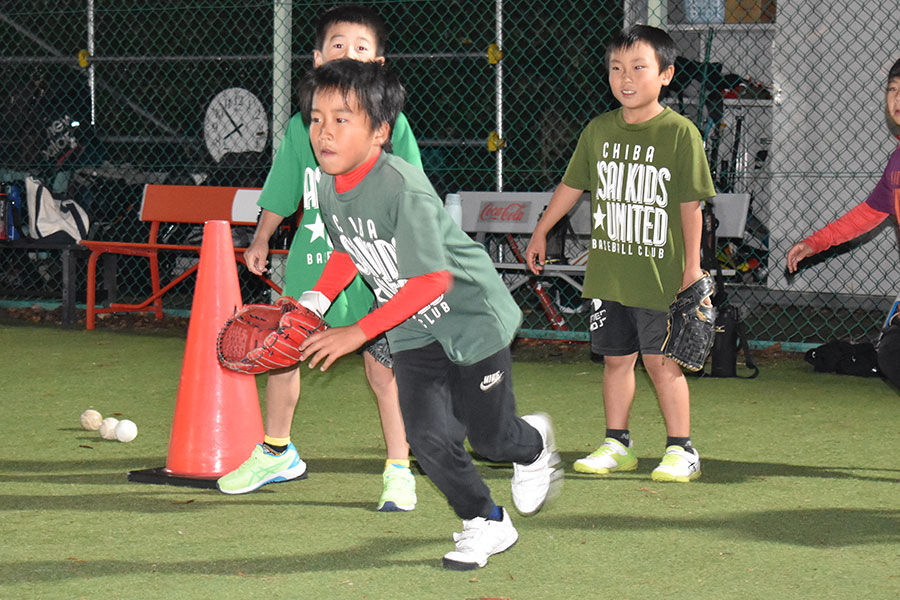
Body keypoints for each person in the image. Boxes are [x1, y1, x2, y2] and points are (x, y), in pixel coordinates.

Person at [294, 58, 561, 570]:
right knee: (426, 438)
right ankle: (486, 520)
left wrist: (356, 332)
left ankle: (531, 446)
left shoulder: (402, 186)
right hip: (411, 327)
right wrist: (315, 301)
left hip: (470, 318)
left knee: (490, 439)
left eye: (342, 119)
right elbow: (349, 250)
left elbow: (433, 281)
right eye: (317, 118)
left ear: (380, 131)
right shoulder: (328, 185)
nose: (324, 132)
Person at [217, 4, 421, 513]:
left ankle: (399, 468)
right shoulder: (302, 126)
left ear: (378, 63)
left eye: (360, 47)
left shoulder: (390, 128)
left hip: (375, 264)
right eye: (338, 45)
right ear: (317, 59)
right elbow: (283, 189)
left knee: (383, 371)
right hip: (314, 260)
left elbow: (414, 197)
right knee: (281, 352)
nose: (348, 54)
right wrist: (262, 237)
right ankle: (277, 452)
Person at [524, 25, 716, 482]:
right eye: (616, 68)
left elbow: (691, 206)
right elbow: (572, 185)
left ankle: (682, 448)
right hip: (610, 273)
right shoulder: (598, 130)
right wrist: (541, 230)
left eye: (638, 67)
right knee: (615, 360)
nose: (625, 78)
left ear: (666, 75)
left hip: (660, 275)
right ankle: (617, 443)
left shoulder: (680, 133)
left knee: (661, 362)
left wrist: (692, 268)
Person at [787, 58, 900, 389]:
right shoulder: (897, 159)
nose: (896, 99)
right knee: (892, 353)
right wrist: (815, 243)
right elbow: (868, 213)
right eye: (892, 89)